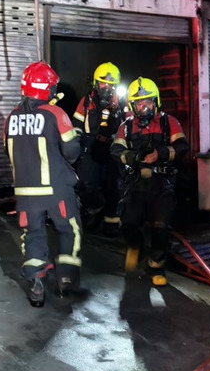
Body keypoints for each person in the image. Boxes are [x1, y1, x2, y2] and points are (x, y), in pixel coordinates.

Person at [3, 62, 83, 307]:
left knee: (33, 233)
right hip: (56, 189)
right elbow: (72, 152)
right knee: (69, 229)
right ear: (47, 88)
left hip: (25, 193)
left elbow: (9, 152)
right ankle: (66, 280)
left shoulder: (11, 117)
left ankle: (37, 283)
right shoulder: (55, 113)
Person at [110, 77, 189, 286]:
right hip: (136, 183)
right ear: (132, 106)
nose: (144, 107)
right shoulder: (127, 127)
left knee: (161, 226)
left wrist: (160, 154)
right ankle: (135, 245)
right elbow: (115, 149)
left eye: (148, 102)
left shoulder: (169, 122)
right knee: (129, 222)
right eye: (139, 104)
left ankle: (156, 266)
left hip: (162, 182)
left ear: (156, 102)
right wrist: (132, 157)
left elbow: (182, 147)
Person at [73, 62, 126, 237]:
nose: (107, 88)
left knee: (114, 187)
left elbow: (131, 126)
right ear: (96, 84)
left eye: (111, 85)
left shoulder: (122, 103)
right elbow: (76, 126)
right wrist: (75, 148)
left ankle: (112, 224)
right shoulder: (87, 101)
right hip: (90, 148)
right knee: (87, 185)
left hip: (113, 149)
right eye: (103, 83)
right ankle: (93, 213)